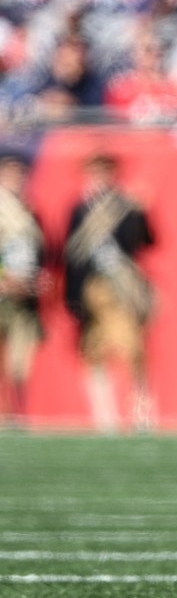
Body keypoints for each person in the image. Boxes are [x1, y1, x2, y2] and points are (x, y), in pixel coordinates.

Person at [64, 152, 155, 432]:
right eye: (96, 171)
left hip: (123, 287)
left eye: (105, 171)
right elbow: (72, 257)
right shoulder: (79, 209)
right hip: (94, 290)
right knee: (94, 355)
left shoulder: (126, 207)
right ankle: (105, 417)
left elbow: (148, 241)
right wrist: (73, 297)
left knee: (133, 352)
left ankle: (140, 415)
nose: (100, 177)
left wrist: (141, 212)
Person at [0, 154, 46, 423]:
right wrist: (5, 277)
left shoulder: (29, 208)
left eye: (20, 172)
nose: (16, 178)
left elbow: (36, 251)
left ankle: (16, 413)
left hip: (23, 294)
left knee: (20, 360)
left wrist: (37, 277)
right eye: (10, 172)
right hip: (5, 289)